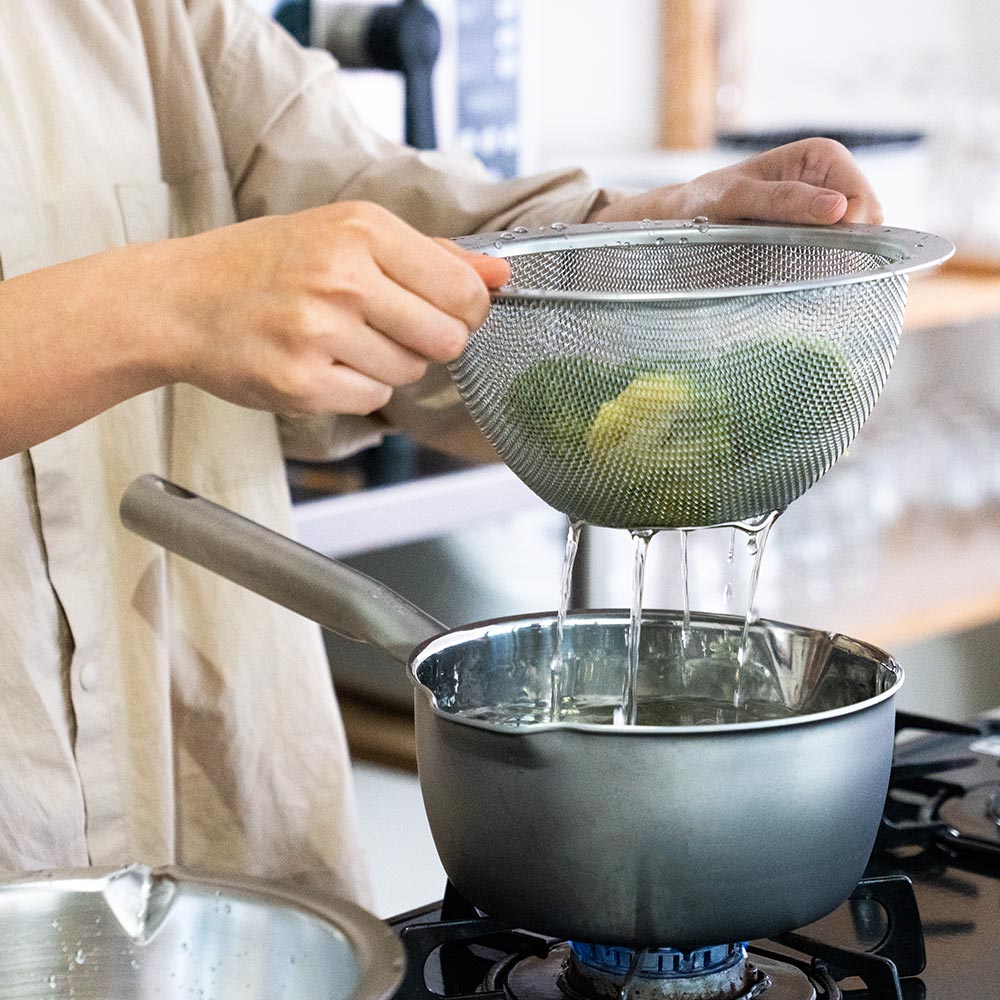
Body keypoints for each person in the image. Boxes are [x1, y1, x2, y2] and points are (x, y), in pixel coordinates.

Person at [0, 0, 883, 905]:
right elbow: (203, 293)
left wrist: (642, 241)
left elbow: (374, 209)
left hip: (228, 891)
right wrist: (166, 303)